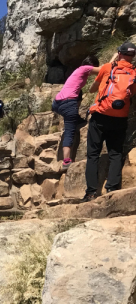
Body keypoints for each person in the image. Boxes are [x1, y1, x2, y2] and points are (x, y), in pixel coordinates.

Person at [85, 42, 136, 200]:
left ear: (119, 53)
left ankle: (91, 192)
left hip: (100, 115)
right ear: (133, 56)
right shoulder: (134, 72)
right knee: (115, 153)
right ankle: (112, 189)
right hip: (120, 117)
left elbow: (92, 89)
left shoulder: (108, 68)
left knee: (93, 154)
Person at [52, 54, 103, 169]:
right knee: (70, 131)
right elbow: (103, 70)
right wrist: (115, 57)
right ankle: (66, 161)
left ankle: (76, 117)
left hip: (57, 102)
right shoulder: (85, 68)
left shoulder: (78, 71)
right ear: (91, 65)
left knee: (79, 92)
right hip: (68, 103)